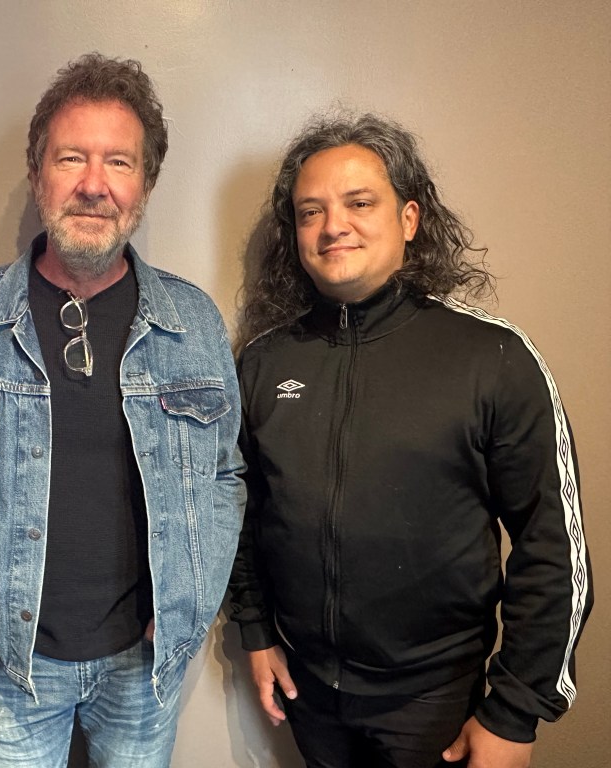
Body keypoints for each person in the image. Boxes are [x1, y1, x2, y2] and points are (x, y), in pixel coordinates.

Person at [0, 53, 245, 768]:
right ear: (38, 175)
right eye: (70, 158)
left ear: (145, 184)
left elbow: (224, 477)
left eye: (119, 162)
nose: (94, 184)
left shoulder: (193, 323)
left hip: (144, 667)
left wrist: (188, 609)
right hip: (11, 665)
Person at [229, 112, 592, 768]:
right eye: (311, 211)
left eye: (359, 202)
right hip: (308, 693)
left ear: (409, 218)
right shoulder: (263, 362)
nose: (333, 225)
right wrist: (256, 630)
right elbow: (241, 511)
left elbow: (553, 545)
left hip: (436, 702)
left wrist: (515, 712)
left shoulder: (493, 358)